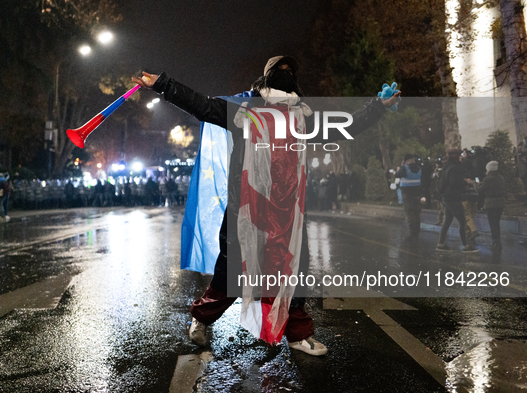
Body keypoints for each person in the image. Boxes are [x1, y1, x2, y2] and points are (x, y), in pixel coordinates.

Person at [133, 56, 400, 355]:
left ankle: (298, 335)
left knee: (293, 273)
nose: (285, 75)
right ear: (267, 77)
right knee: (232, 272)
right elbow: (202, 105)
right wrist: (164, 85)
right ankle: (202, 319)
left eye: (290, 72)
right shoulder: (243, 111)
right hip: (247, 210)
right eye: (279, 71)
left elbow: (342, 126)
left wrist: (377, 106)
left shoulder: (303, 118)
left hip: (289, 213)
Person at [435, 149, 478, 252]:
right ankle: (465, 245)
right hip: (453, 198)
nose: (462, 157)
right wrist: (464, 182)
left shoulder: (447, 167)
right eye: (460, 155)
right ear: (456, 156)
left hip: (446, 197)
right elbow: (454, 182)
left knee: (447, 220)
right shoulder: (455, 168)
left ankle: (440, 243)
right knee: (462, 221)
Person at [476, 161, 506, 251]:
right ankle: (497, 242)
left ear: (488, 169)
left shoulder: (487, 179)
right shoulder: (501, 178)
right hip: (501, 202)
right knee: (497, 222)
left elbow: (480, 190)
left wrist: (476, 184)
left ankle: (496, 242)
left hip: (491, 203)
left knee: (492, 223)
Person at [395, 154, 422, 238]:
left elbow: (397, 175)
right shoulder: (418, 168)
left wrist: (401, 166)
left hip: (407, 193)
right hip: (417, 193)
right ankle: (417, 231)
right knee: (417, 213)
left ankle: (412, 233)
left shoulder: (405, 168)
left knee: (409, 213)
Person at [460, 151, 479, 246]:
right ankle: (469, 233)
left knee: (466, 215)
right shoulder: (474, 173)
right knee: (471, 215)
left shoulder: (464, 175)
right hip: (474, 197)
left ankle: (473, 231)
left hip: (466, 197)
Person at [517, 141, 527, 205]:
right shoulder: (520, 155)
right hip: (523, 174)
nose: (520, 149)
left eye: (521, 148)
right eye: (519, 148)